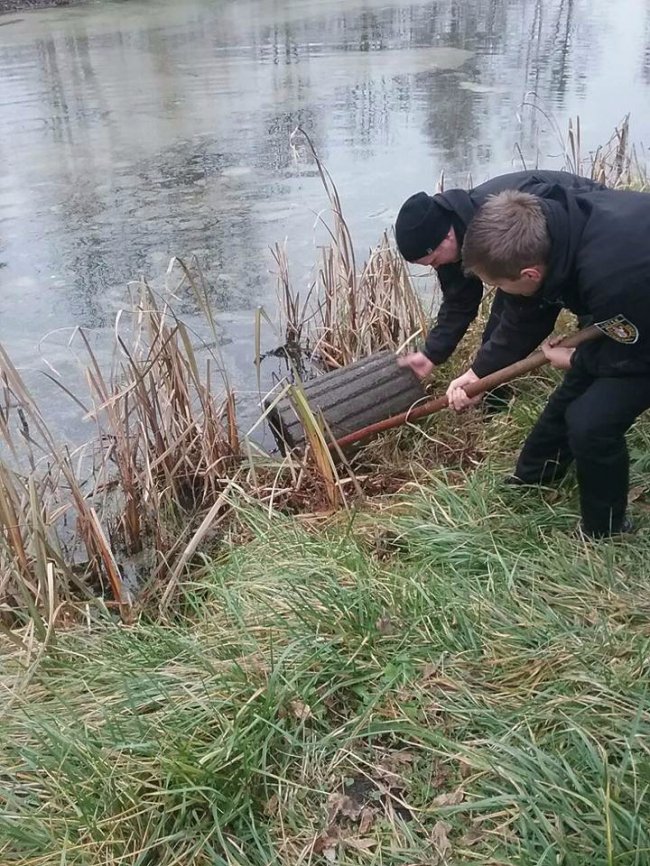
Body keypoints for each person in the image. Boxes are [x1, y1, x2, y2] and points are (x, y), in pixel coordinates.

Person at [449, 185, 650, 538]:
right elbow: (526, 314)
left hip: (640, 328)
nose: (499, 292)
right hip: (632, 311)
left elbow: (632, 358)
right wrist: (479, 373)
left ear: (530, 274)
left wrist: (576, 359)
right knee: (573, 396)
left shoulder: (611, 275)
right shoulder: (554, 231)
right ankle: (533, 478)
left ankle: (606, 530)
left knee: (591, 423)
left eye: (498, 285)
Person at [394, 170, 604, 383]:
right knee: (495, 341)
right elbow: (460, 301)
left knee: (595, 336)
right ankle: (493, 391)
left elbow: (527, 318)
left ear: (447, 237)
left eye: (433, 261)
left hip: (593, 228)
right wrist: (431, 353)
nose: (436, 267)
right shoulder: (451, 234)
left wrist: (480, 372)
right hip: (535, 258)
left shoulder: (500, 224)